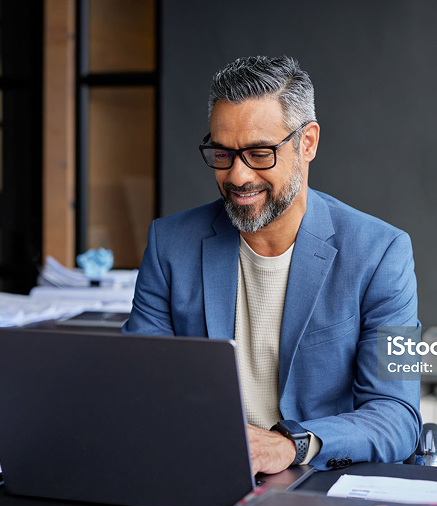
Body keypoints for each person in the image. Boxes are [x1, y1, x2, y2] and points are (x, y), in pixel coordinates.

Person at [123, 55, 421, 473]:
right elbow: (136, 387)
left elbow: (399, 416)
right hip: (197, 470)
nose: (238, 177)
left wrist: (291, 446)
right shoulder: (169, 244)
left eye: (260, 153)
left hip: (316, 481)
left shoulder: (384, 252)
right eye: (222, 154)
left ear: (308, 142)